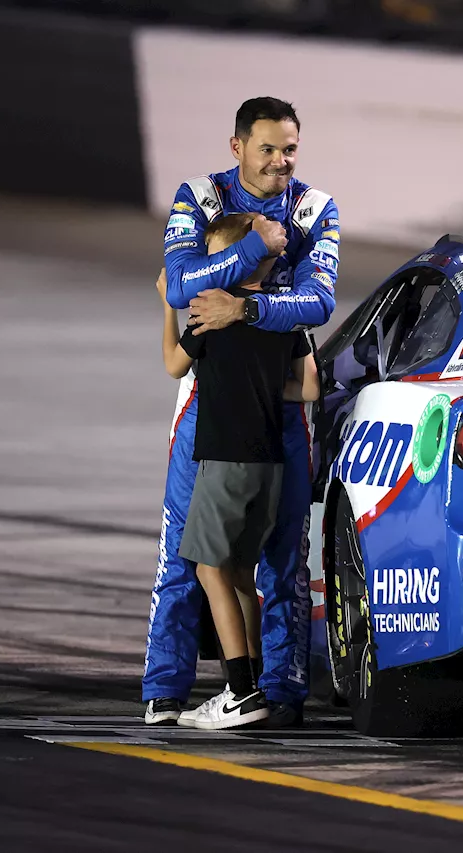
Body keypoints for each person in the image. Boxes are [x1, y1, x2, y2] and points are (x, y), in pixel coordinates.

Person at [143, 96, 338, 727]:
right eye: (268, 149)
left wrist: (241, 308)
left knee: (283, 557)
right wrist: (254, 248)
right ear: (237, 148)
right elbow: (178, 287)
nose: (281, 161)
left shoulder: (315, 208)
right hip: (206, 407)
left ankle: (278, 692)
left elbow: (318, 302)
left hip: (279, 415)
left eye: (290, 150)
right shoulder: (198, 196)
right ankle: (165, 687)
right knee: (184, 552)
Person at [159, 212, 320, 729]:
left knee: (208, 570)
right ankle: (257, 680)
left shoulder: (207, 318)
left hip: (224, 461)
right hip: (271, 462)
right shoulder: (281, 319)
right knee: (242, 575)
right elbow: (312, 388)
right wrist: (266, 393)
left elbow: (172, 365)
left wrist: (168, 303)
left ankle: (240, 691)